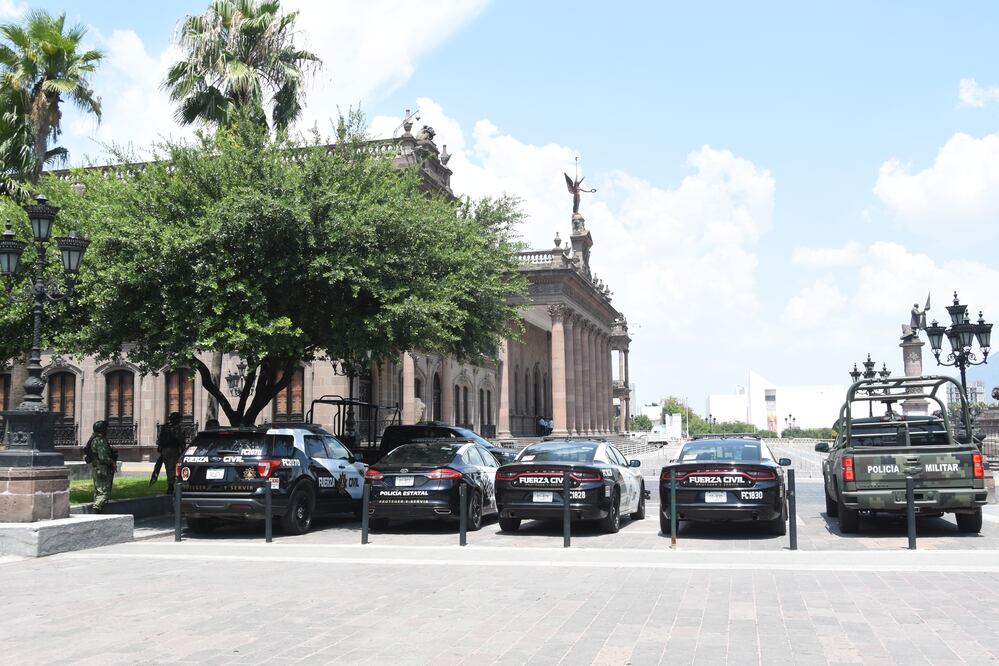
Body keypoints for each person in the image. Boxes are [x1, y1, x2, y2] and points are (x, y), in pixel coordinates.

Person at [86, 420, 115, 513]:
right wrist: (111, 461)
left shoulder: (93, 439)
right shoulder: (100, 440)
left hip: (96, 468)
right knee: (104, 492)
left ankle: (97, 510)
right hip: (102, 468)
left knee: (98, 491)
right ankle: (96, 508)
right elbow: (103, 457)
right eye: (105, 429)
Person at [157, 411, 186, 494]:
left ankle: (170, 485)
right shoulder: (178, 428)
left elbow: (160, 439)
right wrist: (183, 450)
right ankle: (171, 486)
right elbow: (181, 440)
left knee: (168, 468)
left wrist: (160, 448)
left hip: (165, 450)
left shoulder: (165, 427)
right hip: (174, 450)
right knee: (173, 468)